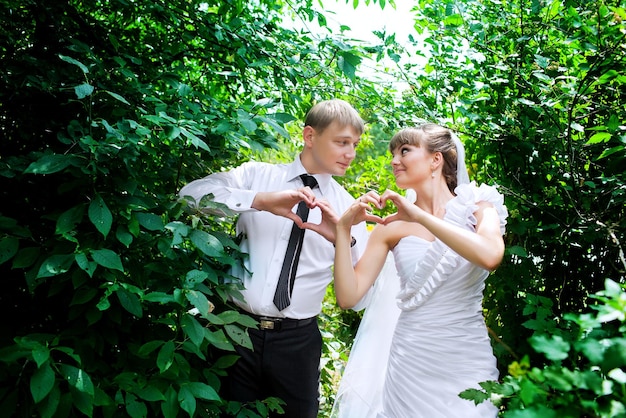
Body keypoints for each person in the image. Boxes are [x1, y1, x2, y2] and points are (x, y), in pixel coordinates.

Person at [178, 99, 369, 418]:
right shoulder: (256, 176)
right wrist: (259, 201)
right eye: (342, 142)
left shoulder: (348, 210)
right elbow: (188, 198)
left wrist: (343, 239)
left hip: (298, 344)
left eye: (355, 145)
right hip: (235, 331)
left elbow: (360, 297)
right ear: (310, 136)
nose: (351, 153)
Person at [329, 123, 508, 417]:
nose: (394, 160)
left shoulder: (479, 208)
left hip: (465, 355)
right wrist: (341, 228)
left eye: (404, 151)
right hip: (410, 361)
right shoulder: (391, 229)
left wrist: (421, 218)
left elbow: (490, 256)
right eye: (393, 154)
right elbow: (348, 297)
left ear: (435, 159)